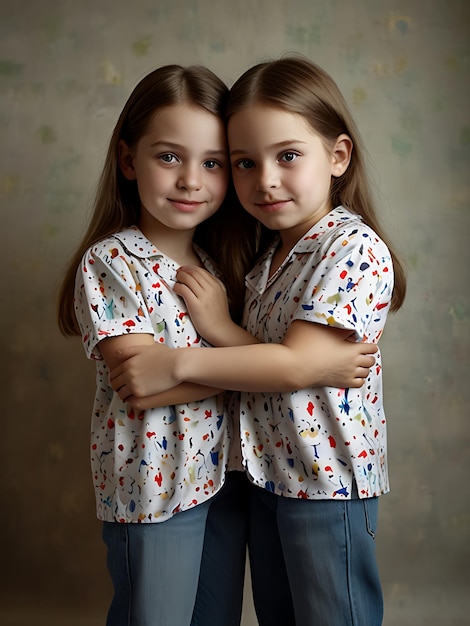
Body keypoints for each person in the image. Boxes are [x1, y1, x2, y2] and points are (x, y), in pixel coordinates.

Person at [57, 62, 376, 626]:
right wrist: (301, 368)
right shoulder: (114, 262)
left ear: (338, 157)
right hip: (153, 491)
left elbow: (235, 368)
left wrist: (285, 365)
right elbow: (140, 384)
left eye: (213, 164)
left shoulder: (220, 265)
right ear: (130, 160)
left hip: (230, 480)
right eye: (169, 157)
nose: (191, 181)